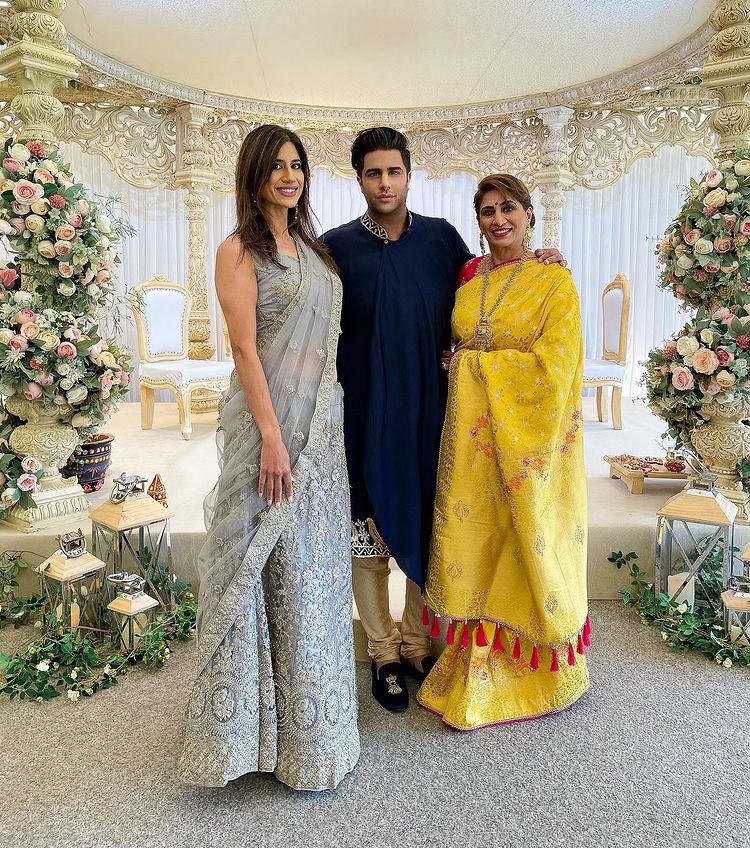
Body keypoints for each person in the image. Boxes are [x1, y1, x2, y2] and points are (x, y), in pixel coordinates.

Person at [322, 128, 566, 712]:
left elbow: (488, 283)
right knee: (368, 527)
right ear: (359, 180)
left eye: (394, 172)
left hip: (434, 410)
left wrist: (540, 258)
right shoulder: (336, 247)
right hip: (363, 410)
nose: (385, 183)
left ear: (410, 175)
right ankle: (381, 651)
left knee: (429, 520)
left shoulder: (440, 239)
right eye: (373, 173)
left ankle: (417, 642)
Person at [178, 125, 359, 790]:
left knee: (309, 572)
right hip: (271, 432)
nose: (289, 176)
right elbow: (246, 350)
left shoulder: (314, 248)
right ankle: (243, 738)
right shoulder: (239, 251)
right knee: (263, 567)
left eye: (297, 165)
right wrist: (274, 437)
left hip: (325, 431)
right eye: (276, 166)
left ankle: (313, 731)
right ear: (252, 175)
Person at [417, 173, 590, 731]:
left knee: (524, 541)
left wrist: (471, 367)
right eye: (488, 211)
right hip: (471, 446)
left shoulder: (553, 282)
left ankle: (533, 671)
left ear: (529, 214)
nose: (499, 220)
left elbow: (556, 368)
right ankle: (473, 661)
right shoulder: (468, 282)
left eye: (509, 208)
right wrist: (459, 360)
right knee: (482, 540)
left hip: (530, 447)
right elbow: (457, 341)